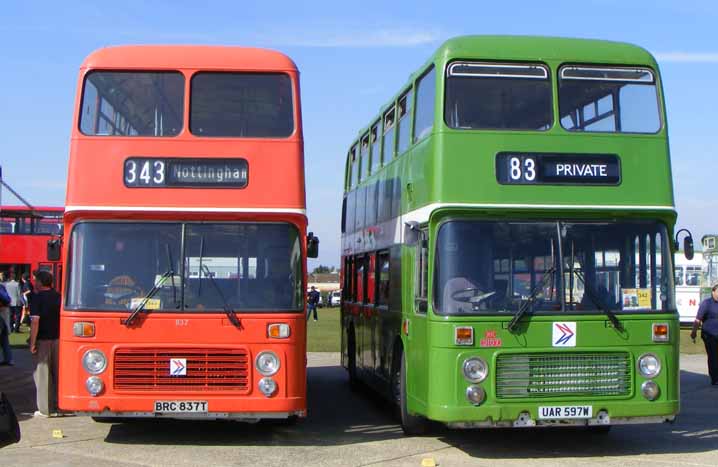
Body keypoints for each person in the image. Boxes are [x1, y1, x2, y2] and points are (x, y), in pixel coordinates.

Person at [29, 270, 61, 417]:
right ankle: (61, 406)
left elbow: (35, 321)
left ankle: (45, 409)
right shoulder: (59, 297)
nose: (34, 282)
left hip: (43, 339)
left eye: (36, 280)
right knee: (59, 374)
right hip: (59, 339)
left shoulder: (36, 298)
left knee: (42, 375)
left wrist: (32, 342)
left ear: (40, 282)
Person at [691, 284, 718, 386]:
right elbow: (698, 319)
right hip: (709, 335)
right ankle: (715, 378)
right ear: (713, 292)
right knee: (713, 356)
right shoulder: (706, 304)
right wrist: (694, 332)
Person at [0, 274, 13, 366]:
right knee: (4, 338)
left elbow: (6, 299)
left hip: (1, 312)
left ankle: (8, 359)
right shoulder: (1, 287)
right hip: (4, 312)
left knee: (4, 337)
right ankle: (8, 359)